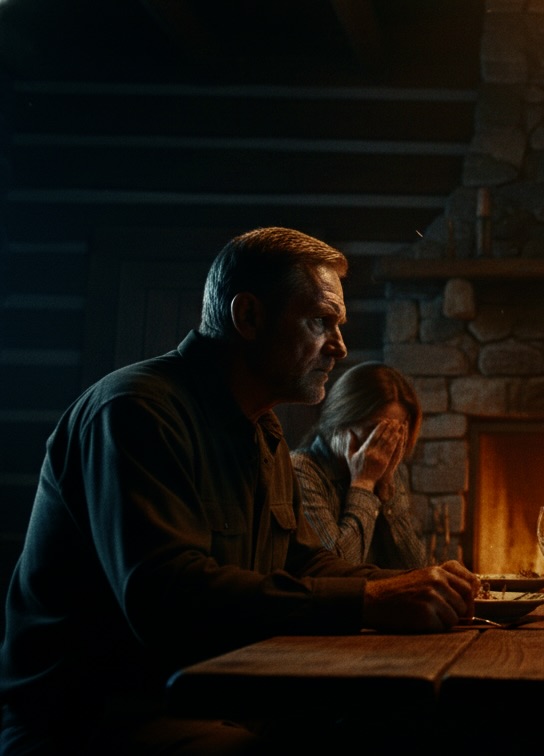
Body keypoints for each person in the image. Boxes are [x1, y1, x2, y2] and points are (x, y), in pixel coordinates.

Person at [0, 227, 478, 755]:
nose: (340, 346)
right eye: (321, 321)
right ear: (248, 316)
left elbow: (301, 562)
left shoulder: (263, 431)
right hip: (102, 724)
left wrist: (418, 584)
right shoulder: (135, 411)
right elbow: (168, 600)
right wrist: (370, 600)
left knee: (417, 728)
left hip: (219, 702)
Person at [291, 361, 428, 569]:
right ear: (342, 420)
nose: (385, 447)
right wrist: (363, 483)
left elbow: (417, 567)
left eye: (395, 434)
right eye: (376, 431)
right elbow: (337, 572)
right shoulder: (300, 471)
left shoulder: (383, 469)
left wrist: (386, 490)